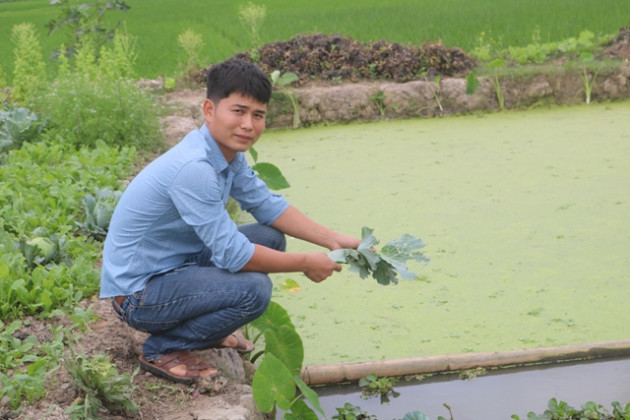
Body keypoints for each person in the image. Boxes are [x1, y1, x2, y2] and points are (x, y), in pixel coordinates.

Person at [100, 59, 360, 384]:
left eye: (258, 115)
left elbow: (267, 205)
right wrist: (306, 261)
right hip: (139, 294)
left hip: (176, 265)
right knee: (254, 291)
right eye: (238, 111)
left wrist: (334, 240)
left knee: (270, 237)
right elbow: (234, 255)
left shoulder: (226, 154)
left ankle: (200, 331)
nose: (248, 124)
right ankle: (163, 347)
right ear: (209, 110)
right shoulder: (195, 168)